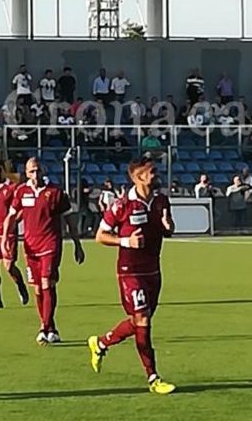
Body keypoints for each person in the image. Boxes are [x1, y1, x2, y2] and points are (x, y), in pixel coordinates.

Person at [87, 157, 176, 395]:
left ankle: (101, 342)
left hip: (153, 271)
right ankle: (153, 377)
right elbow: (100, 236)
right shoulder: (122, 204)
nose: (156, 175)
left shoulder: (161, 200)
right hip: (130, 272)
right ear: (138, 177)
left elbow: (168, 229)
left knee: (140, 323)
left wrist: (169, 226)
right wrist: (126, 241)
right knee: (143, 321)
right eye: (152, 172)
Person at [2, 157, 85, 345]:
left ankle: (44, 328)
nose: (35, 174)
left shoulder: (56, 192)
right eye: (31, 171)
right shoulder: (21, 191)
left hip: (51, 244)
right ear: (26, 172)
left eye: (38, 170)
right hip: (30, 246)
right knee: (38, 288)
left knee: (48, 282)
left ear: (44, 170)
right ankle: (50, 326)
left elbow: (70, 221)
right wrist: (4, 239)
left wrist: (77, 244)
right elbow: (11, 217)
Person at [0, 160, 28, 309]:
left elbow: (21, 209)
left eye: (0, 170)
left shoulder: (12, 188)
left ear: (5, 171)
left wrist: (13, 223)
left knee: (9, 266)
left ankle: (20, 285)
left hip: (7, 235)